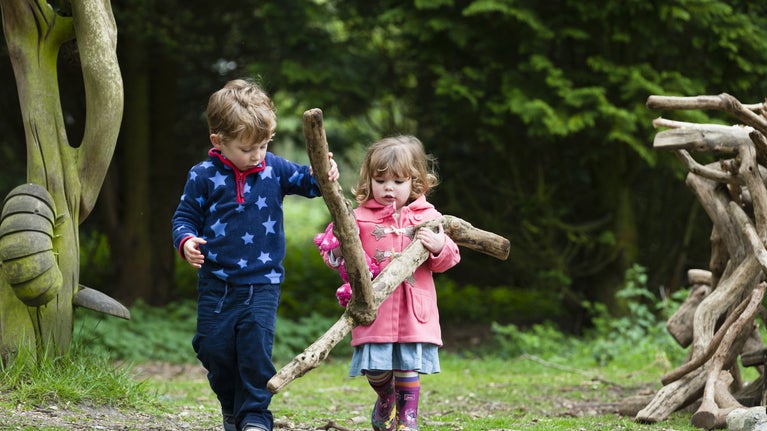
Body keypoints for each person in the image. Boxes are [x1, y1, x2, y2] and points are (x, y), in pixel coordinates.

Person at [171, 78, 339, 431]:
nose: (257, 155)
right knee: (212, 349)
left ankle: (255, 417)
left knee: (255, 354)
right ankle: (232, 406)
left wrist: (325, 171)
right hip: (217, 283)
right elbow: (184, 217)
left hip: (263, 283)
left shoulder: (274, 169)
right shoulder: (203, 176)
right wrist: (186, 241)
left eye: (264, 145)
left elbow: (310, 183)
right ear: (219, 141)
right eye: (248, 148)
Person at [315, 135, 460, 431]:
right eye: (381, 181)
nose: (388, 188)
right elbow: (332, 259)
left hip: (413, 310)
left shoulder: (429, 217)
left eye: (398, 181)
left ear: (416, 183)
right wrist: (341, 247)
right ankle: (385, 397)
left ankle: (408, 419)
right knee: (376, 369)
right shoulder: (357, 217)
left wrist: (438, 244)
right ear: (369, 181)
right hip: (375, 312)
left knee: (407, 365)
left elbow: (448, 260)